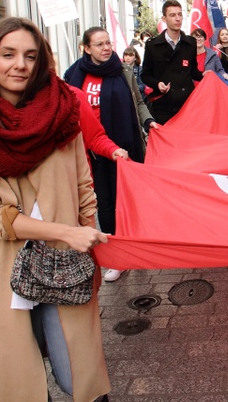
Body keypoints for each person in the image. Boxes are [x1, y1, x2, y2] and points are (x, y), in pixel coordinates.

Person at [0, 17, 110, 401]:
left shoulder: (62, 112)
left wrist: (91, 248)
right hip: (2, 271)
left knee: (80, 380)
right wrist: (65, 232)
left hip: (65, 266)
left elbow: (83, 188)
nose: (19, 64)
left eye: (30, 56)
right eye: (9, 54)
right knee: (24, 386)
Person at [64, 27, 156, 282]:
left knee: (128, 201)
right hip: (89, 152)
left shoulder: (123, 71)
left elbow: (138, 102)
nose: (106, 48)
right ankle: (117, 256)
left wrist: (148, 122)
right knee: (104, 205)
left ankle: (134, 245)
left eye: (108, 43)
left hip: (122, 149)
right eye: (99, 44)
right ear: (86, 48)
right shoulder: (74, 75)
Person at [142, 0, 201, 124]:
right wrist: (157, 84)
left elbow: (193, 71)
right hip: (163, 107)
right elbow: (145, 75)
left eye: (180, 15)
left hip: (187, 105)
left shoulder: (190, 43)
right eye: (173, 15)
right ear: (164, 18)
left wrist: (204, 75)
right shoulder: (153, 45)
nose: (177, 19)